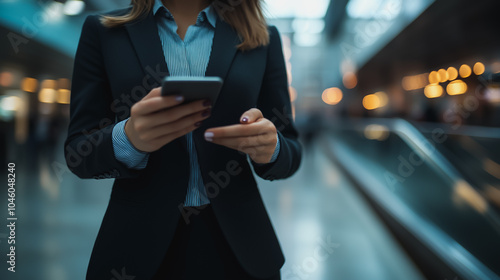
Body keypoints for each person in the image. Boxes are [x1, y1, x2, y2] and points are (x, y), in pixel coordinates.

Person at [64, 0, 302, 279]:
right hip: (136, 248)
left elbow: (290, 149)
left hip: (241, 247)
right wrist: (129, 138)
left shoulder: (262, 36)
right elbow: (78, 152)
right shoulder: (103, 31)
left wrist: (271, 148)